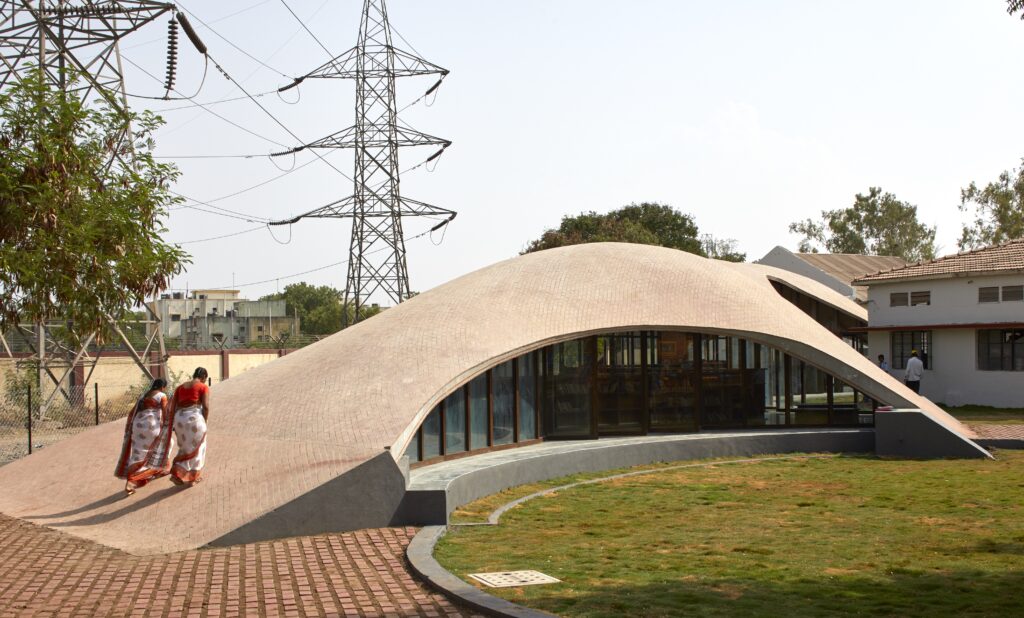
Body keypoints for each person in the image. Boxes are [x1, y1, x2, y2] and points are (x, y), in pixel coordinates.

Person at [115, 378, 173, 496]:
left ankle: (152, 472)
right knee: (168, 443)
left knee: (138, 454)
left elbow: (132, 412)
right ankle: (135, 478)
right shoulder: (162, 395)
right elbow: (166, 412)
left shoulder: (143, 395)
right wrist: (169, 426)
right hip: (151, 426)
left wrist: (129, 429)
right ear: (163, 387)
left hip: (137, 426)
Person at [169, 367, 211, 487]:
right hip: (194, 419)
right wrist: (205, 419)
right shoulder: (203, 387)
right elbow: (206, 406)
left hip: (179, 420)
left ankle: (177, 473)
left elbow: (173, 406)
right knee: (199, 447)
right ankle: (193, 478)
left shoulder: (180, 387)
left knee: (185, 448)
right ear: (203, 377)